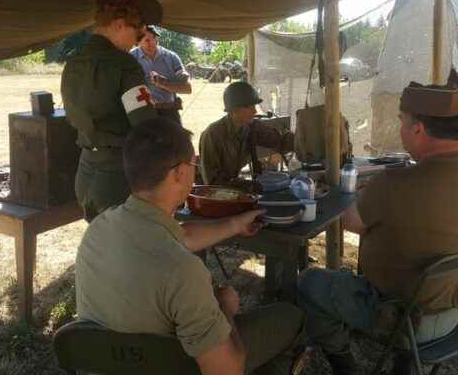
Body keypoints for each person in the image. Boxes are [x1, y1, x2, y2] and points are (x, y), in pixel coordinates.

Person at [297, 82, 458, 374]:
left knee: (310, 282)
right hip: (456, 310)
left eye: (403, 123)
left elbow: (350, 222)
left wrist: (355, 193)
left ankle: (345, 365)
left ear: (418, 129)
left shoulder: (395, 183)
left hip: (402, 315)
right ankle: (407, 362)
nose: (401, 130)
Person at [76, 118, 305, 375]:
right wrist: (225, 311)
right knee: (290, 316)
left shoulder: (98, 229)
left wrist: (234, 224)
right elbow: (226, 371)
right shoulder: (183, 271)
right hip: (173, 365)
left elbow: (180, 236)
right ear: (179, 173)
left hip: (108, 362)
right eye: (193, 165)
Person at [61, 0, 161, 222]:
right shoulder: (123, 64)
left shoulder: (72, 63)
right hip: (117, 177)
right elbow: (145, 124)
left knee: (101, 245)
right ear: (119, 25)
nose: (138, 40)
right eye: (137, 31)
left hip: (85, 173)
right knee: (124, 249)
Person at [199, 81, 294, 188]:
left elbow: (278, 140)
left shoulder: (251, 126)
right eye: (249, 107)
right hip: (212, 197)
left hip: (233, 189)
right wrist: (246, 185)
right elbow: (213, 182)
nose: (254, 111)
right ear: (234, 110)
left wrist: (300, 140)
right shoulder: (212, 135)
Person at [130, 25, 192, 125]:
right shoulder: (131, 58)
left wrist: (164, 83)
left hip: (169, 112)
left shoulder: (171, 57)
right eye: (147, 40)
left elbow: (187, 89)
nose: (153, 43)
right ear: (138, 42)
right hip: (143, 113)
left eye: (154, 38)